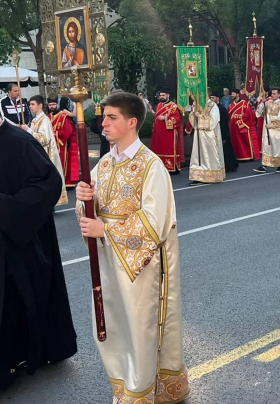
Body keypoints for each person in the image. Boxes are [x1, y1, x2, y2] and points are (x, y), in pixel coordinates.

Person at [0, 89, 77, 404]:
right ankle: (24, 355)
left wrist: (4, 208)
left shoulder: (20, 142)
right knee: (8, 307)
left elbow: (49, 184)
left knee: (6, 307)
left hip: (15, 247)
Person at [75, 92, 189, 404]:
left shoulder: (151, 166)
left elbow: (153, 222)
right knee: (116, 325)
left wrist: (105, 230)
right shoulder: (104, 164)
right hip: (111, 262)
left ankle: (139, 394)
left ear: (132, 122)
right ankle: (126, 387)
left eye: (112, 117)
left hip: (141, 266)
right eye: (103, 117)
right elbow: (91, 210)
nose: (104, 123)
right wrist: (84, 198)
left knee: (141, 327)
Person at [23, 95, 68, 206]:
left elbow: (43, 139)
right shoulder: (34, 120)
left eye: (33, 104)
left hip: (45, 154)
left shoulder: (45, 120)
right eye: (30, 104)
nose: (30, 106)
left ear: (40, 105)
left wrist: (28, 130)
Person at [186, 96, 225, 185]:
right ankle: (198, 176)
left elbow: (212, 122)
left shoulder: (213, 106)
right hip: (199, 134)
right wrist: (193, 111)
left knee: (208, 155)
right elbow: (193, 122)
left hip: (209, 135)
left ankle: (211, 175)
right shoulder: (198, 105)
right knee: (198, 155)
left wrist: (199, 116)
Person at [254, 88, 280, 173]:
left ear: (279, 95)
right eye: (272, 93)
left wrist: (271, 125)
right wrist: (261, 105)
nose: (272, 95)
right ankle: (264, 165)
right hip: (267, 130)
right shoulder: (268, 103)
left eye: (274, 94)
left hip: (276, 130)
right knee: (267, 146)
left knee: (278, 147)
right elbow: (260, 113)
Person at [151, 89, 184, 174]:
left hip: (169, 134)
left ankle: (172, 168)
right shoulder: (159, 105)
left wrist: (165, 118)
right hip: (158, 133)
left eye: (163, 95)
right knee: (159, 149)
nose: (161, 97)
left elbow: (177, 120)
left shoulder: (173, 106)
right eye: (160, 95)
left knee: (168, 149)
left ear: (168, 95)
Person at [48, 97, 79, 188]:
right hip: (50, 145)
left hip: (61, 146)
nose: (52, 106)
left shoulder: (64, 116)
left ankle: (64, 182)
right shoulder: (48, 117)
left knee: (62, 163)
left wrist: (56, 137)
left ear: (57, 105)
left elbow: (68, 130)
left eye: (53, 104)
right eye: (50, 105)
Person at [228, 89, 259, 161]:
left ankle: (247, 155)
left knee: (244, 141)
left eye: (233, 94)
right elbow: (229, 116)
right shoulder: (231, 105)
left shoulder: (244, 104)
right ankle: (237, 156)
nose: (232, 95)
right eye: (231, 94)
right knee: (235, 142)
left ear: (237, 94)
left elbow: (249, 115)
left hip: (242, 126)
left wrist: (240, 122)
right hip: (233, 128)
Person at [212, 93, 238, 173]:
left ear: (217, 98)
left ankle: (232, 166)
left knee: (227, 151)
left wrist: (224, 136)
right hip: (215, 133)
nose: (212, 99)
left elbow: (224, 123)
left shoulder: (222, 109)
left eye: (213, 97)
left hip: (223, 133)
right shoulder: (213, 108)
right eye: (211, 97)